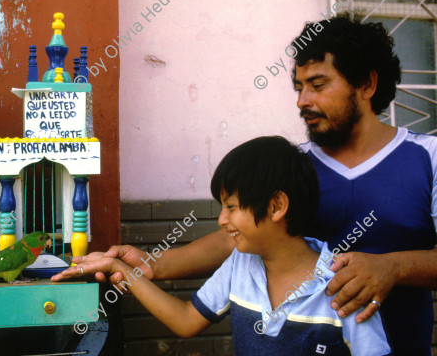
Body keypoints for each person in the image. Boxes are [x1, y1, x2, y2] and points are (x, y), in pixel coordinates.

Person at [53, 16, 437, 355]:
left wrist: (395, 267)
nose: (303, 100)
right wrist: (153, 265)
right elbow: (239, 239)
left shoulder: (428, 158)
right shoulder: (292, 167)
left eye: (318, 85)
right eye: (299, 87)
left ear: (367, 84)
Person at [58, 136, 392, 355]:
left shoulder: (342, 285)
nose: (221, 220)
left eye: (231, 207)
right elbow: (186, 320)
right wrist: (122, 270)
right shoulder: (240, 264)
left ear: (276, 206)